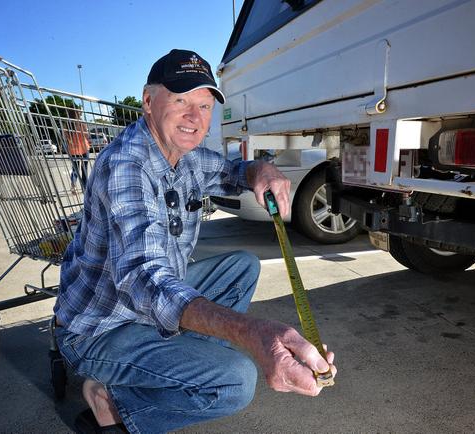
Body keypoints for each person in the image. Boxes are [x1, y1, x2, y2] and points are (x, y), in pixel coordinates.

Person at [53, 49, 337, 434]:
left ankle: (172, 369)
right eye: (181, 100)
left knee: (242, 266)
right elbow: (143, 275)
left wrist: (261, 169)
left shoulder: (185, 156)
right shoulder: (127, 167)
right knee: (235, 381)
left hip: (148, 308)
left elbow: (234, 172)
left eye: (204, 105)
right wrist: (250, 332)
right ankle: (113, 402)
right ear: (149, 102)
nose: (194, 116)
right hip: (102, 328)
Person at [64, 107, 91, 193]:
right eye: (79, 112)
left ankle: (73, 185)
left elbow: (66, 137)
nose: (80, 114)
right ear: (76, 114)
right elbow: (86, 135)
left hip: (73, 149)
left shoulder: (67, 124)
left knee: (75, 168)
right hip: (84, 147)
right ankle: (85, 187)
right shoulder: (81, 123)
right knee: (84, 168)